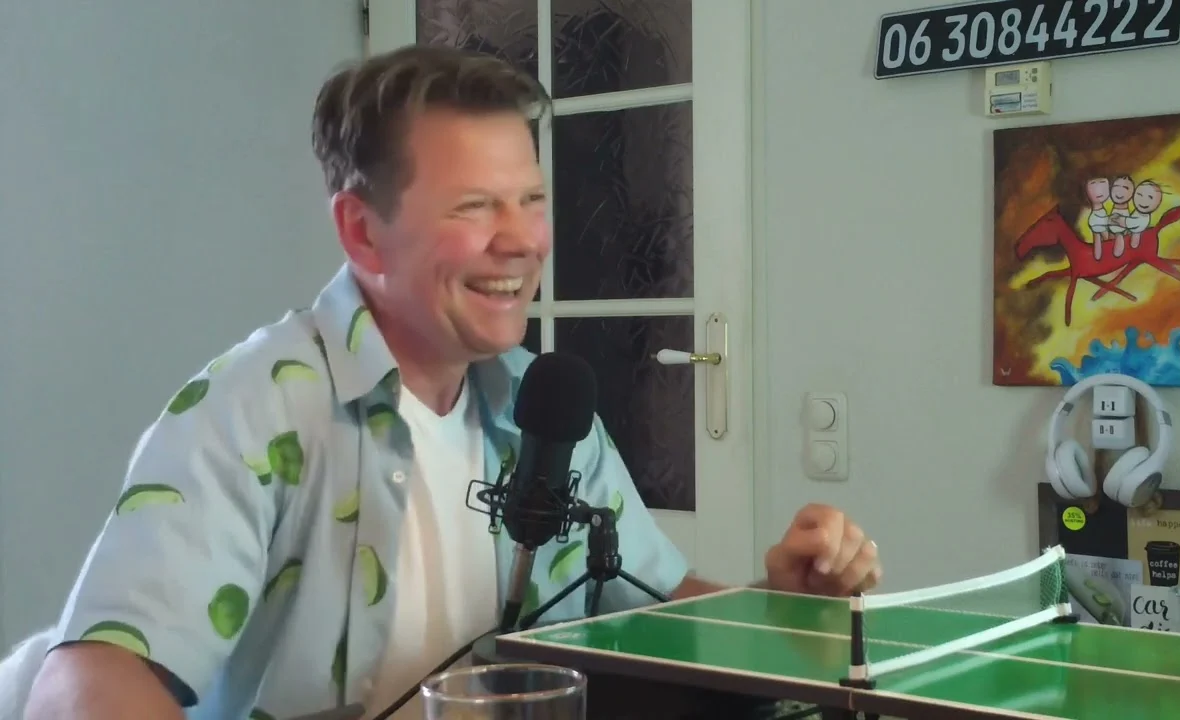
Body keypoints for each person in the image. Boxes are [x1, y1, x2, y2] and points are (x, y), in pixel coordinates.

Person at [24, 44, 881, 720]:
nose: (522, 240)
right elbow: (85, 684)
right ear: (363, 233)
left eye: (532, 200)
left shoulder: (542, 406)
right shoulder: (254, 410)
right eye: (475, 207)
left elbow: (655, 610)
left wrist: (781, 606)